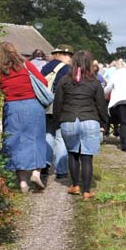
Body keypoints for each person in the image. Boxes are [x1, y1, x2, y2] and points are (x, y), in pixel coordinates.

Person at [52, 50, 110, 200]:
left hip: (69, 120)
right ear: (89, 64)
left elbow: (57, 103)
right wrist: (104, 122)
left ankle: (75, 185)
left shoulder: (64, 80)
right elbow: (101, 105)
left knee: (73, 154)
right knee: (87, 158)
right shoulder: (95, 82)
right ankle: (86, 191)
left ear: (73, 63)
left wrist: (57, 121)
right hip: (90, 121)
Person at [0, 41, 49, 193]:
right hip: (32, 105)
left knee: (15, 142)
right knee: (36, 139)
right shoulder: (27, 65)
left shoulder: (0, 70)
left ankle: (22, 183)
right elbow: (43, 81)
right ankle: (36, 173)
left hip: (11, 107)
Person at [41, 44, 74, 180]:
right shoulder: (67, 69)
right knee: (61, 137)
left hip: (46, 105)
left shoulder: (45, 67)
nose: (70, 58)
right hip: (60, 105)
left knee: (48, 134)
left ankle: (44, 165)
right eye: (69, 55)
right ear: (62, 55)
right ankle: (61, 171)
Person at [104, 59, 126, 151]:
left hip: (120, 100)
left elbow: (109, 87)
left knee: (123, 121)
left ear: (117, 67)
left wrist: (103, 95)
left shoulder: (116, 74)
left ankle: (125, 144)